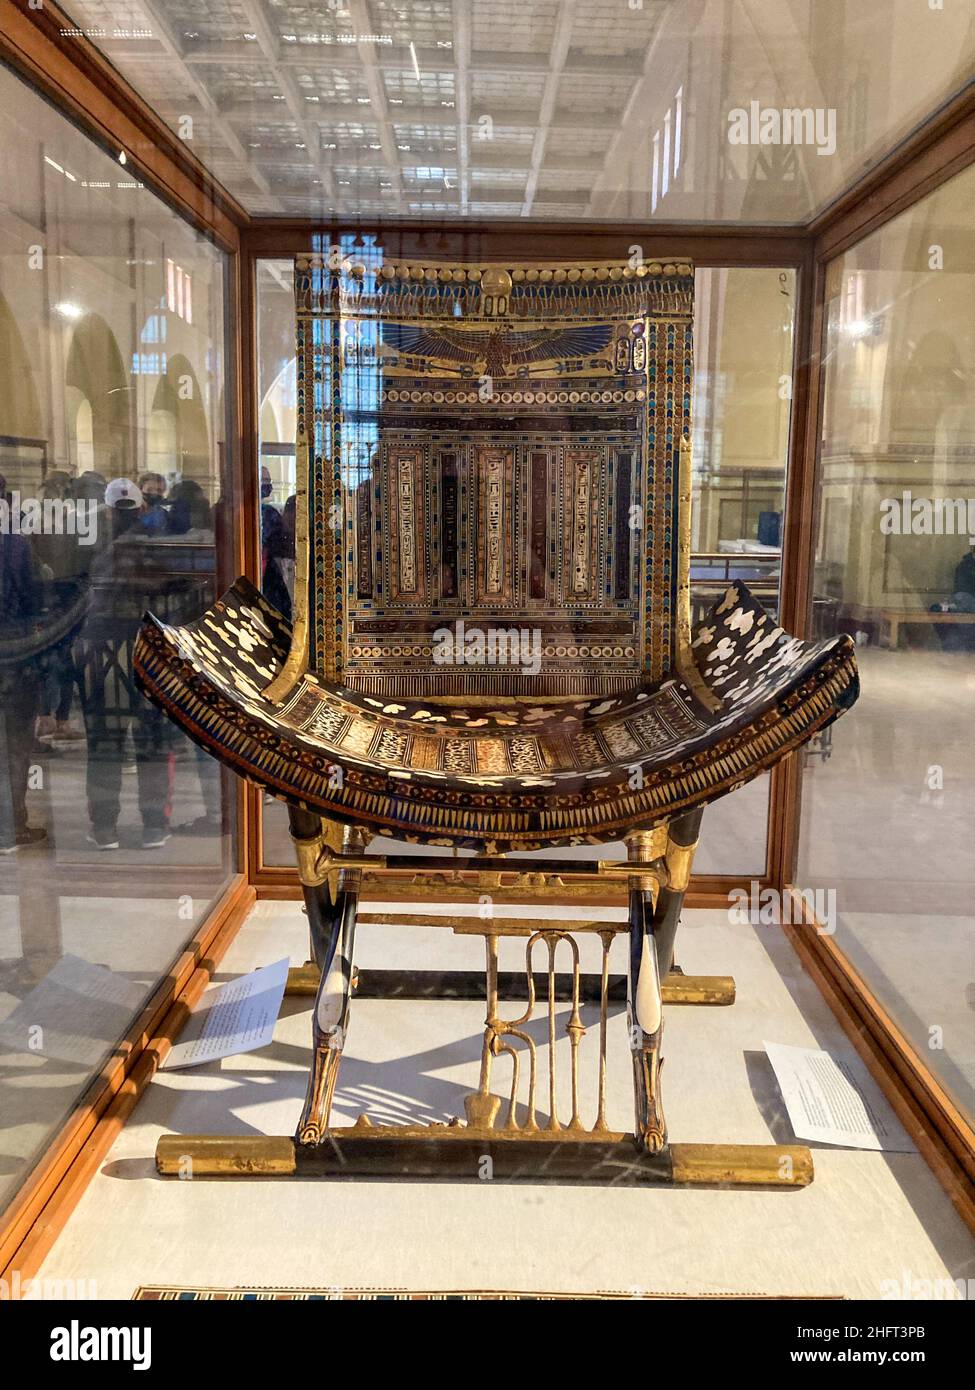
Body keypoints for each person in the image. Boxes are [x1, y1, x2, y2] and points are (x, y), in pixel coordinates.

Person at [74, 476, 174, 850]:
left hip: (103, 651)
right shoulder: (156, 550)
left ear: (107, 511)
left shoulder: (94, 551)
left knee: (104, 743)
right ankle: (153, 825)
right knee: (151, 741)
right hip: (147, 652)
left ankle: (104, 827)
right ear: (142, 508)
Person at [0, 474, 47, 850]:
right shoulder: (13, 543)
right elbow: (31, 593)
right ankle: (10, 825)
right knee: (15, 740)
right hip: (11, 649)